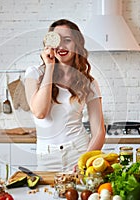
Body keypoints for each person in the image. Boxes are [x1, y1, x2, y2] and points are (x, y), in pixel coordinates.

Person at [24, 19, 106, 171]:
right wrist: (49, 67)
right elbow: (40, 112)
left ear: (77, 44)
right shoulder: (34, 74)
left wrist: (84, 161)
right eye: (57, 40)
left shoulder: (89, 83)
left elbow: (99, 132)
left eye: (67, 40)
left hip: (79, 152)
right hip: (46, 157)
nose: (61, 46)